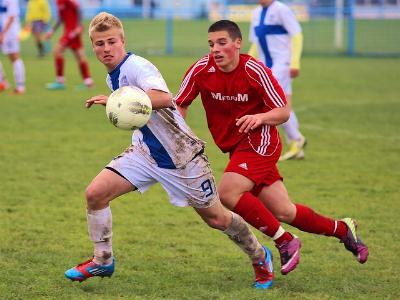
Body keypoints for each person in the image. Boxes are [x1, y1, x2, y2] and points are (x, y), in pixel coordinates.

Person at [64, 12, 275, 290]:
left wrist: (120, 99)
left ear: (122, 40)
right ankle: (102, 259)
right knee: (95, 194)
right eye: (99, 44)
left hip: (182, 158)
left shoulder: (138, 66)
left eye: (111, 42)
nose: (105, 49)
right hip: (145, 153)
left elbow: (164, 98)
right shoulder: (112, 76)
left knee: (217, 218)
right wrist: (118, 101)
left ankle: (260, 256)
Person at [175, 20, 369, 268]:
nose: (216, 49)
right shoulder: (201, 69)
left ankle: (285, 241)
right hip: (236, 147)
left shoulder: (254, 70)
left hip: (260, 142)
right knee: (284, 212)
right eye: (212, 44)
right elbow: (180, 103)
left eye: (222, 43)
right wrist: (178, 135)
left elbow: (283, 111)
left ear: (237, 43)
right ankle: (343, 229)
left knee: (227, 192)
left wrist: (259, 117)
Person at [248, 0, 305, 161]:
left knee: (273, 103)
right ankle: (296, 142)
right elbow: (256, 43)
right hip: (266, 67)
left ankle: (295, 140)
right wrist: (249, 63)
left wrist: (294, 62)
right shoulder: (256, 13)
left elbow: (297, 35)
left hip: (282, 65)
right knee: (282, 104)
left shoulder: (282, 10)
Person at [44, 0, 93, 90]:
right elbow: (60, 19)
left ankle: (60, 81)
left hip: (73, 31)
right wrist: (51, 31)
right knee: (79, 55)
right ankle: (88, 82)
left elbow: (79, 9)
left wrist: (78, 26)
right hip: (69, 31)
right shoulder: (58, 2)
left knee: (57, 50)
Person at [0, 0, 26, 94]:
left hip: (10, 32)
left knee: (14, 56)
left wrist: (3, 33)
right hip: (2, 30)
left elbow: (11, 17)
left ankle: (20, 87)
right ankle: (2, 83)